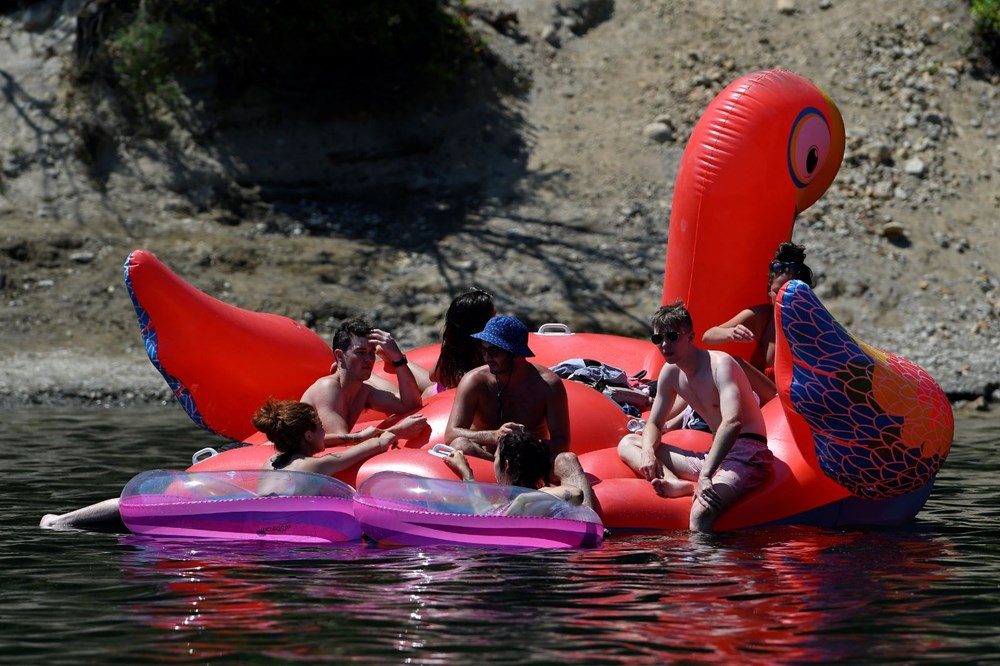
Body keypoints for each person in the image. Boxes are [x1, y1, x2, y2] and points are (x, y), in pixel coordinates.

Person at [39, 400, 394, 531]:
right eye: (320, 427)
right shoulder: (315, 467)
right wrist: (391, 434)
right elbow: (370, 448)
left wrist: (345, 438)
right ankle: (60, 523)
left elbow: (328, 446)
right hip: (248, 523)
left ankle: (62, 521)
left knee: (136, 511)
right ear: (306, 437)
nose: (326, 432)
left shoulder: (276, 458)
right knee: (134, 511)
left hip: (239, 512)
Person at [617, 301, 773, 532]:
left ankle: (706, 567)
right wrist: (649, 451)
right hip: (713, 455)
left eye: (672, 336)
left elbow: (733, 421)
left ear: (690, 337)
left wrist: (707, 474)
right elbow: (655, 423)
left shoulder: (721, 365)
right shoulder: (670, 373)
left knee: (699, 515)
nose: (664, 344)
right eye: (657, 339)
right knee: (629, 443)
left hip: (746, 453)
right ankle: (675, 482)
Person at [444, 314, 595, 509]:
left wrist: (526, 444)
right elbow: (451, 433)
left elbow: (561, 441)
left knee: (568, 459)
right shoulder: (474, 381)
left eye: (494, 351)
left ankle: (592, 521)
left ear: (515, 353)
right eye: (483, 349)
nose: (486, 357)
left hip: (533, 461)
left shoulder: (547, 384)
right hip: (493, 461)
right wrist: (495, 435)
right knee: (460, 444)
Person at [701, 241, 815, 403]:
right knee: (731, 363)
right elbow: (708, 336)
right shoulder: (764, 317)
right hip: (769, 398)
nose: (784, 297)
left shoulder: (814, 323)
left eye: (790, 292)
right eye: (778, 291)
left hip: (797, 402)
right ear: (769, 291)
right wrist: (730, 333)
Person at [300, 317, 428, 445]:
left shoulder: (364, 391)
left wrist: (398, 358)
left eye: (371, 352)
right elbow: (341, 443)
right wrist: (397, 431)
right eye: (360, 352)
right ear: (339, 356)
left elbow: (411, 406)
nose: (368, 359)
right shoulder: (327, 387)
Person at [442, 430, 586, 516]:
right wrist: (467, 473)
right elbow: (485, 514)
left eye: (496, 458)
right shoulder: (502, 504)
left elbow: (576, 494)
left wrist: (522, 499)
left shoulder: (539, 498)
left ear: (506, 466)